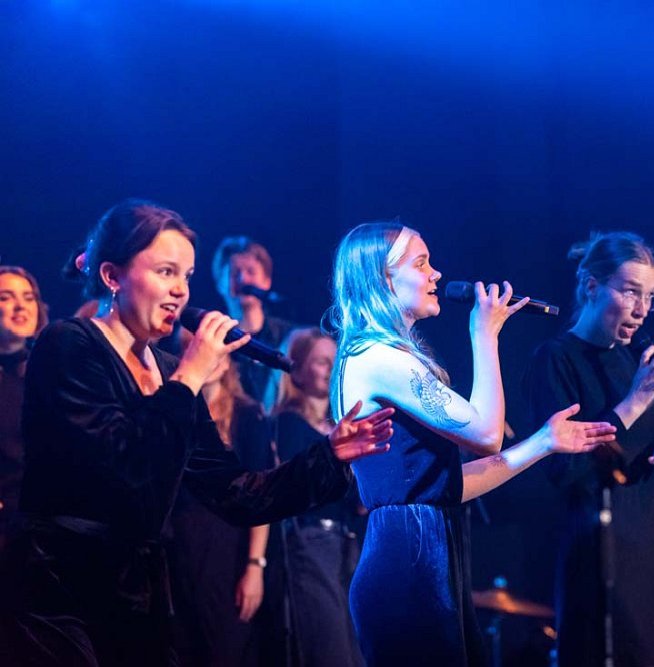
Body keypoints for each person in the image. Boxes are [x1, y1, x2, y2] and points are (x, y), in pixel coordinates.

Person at [0, 199, 393, 667]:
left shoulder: (169, 369)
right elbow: (124, 466)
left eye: (186, 276)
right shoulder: (68, 343)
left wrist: (329, 455)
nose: (180, 291)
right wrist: (190, 376)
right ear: (111, 276)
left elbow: (236, 492)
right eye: (165, 271)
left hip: (137, 594)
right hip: (60, 587)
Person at [329, 221, 618, 666]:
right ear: (381, 279)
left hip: (425, 555)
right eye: (421, 264)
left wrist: (543, 442)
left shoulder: (379, 357)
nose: (436, 274)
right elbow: (486, 434)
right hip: (408, 565)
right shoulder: (377, 358)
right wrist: (485, 334)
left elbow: (447, 488)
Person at [524, 231, 654, 667]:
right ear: (591, 286)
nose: (642, 309)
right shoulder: (556, 359)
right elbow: (564, 470)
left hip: (649, 546)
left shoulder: (634, 357)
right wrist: (634, 402)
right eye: (631, 292)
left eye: (651, 296)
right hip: (596, 548)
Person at [167, 341, 272, 667]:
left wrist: (254, 565)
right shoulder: (174, 408)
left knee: (223, 645)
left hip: (226, 542)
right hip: (178, 540)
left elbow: (260, 493)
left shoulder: (247, 415)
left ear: (227, 362)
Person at [264, 327, 364, 667]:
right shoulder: (287, 424)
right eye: (322, 362)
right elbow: (305, 485)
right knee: (330, 648)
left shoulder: (339, 427)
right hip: (309, 539)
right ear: (296, 369)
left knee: (357, 649)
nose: (332, 369)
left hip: (346, 541)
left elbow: (357, 501)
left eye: (336, 361)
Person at [212, 235, 295, 408]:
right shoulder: (212, 338)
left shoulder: (287, 336)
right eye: (235, 273)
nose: (243, 280)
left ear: (267, 281)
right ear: (220, 283)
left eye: (251, 272)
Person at [0, 266, 48, 554]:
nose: (21, 305)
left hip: (48, 524)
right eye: (5, 297)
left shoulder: (50, 370)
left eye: (28, 298)